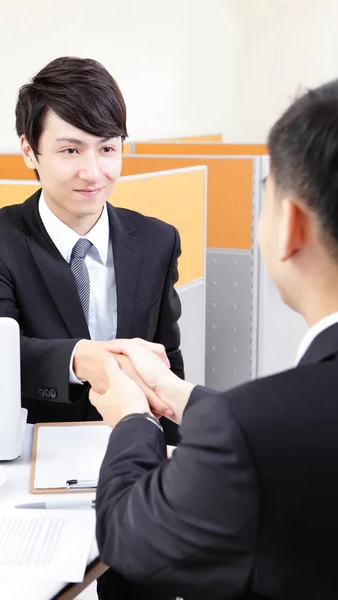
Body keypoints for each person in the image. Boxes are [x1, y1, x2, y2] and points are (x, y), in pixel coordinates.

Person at [90, 79, 338, 599]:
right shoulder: (270, 422)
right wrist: (178, 395)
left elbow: (131, 539)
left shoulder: (255, 429)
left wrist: (132, 419)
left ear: (289, 223)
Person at [0, 57, 183, 441]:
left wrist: (176, 458)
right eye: (71, 151)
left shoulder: (157, 240)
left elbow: (168, 360)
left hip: (138, 444)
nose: (93, 173)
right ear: (30, 152)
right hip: (37, 447)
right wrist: (79, 359)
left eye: (107, 149)